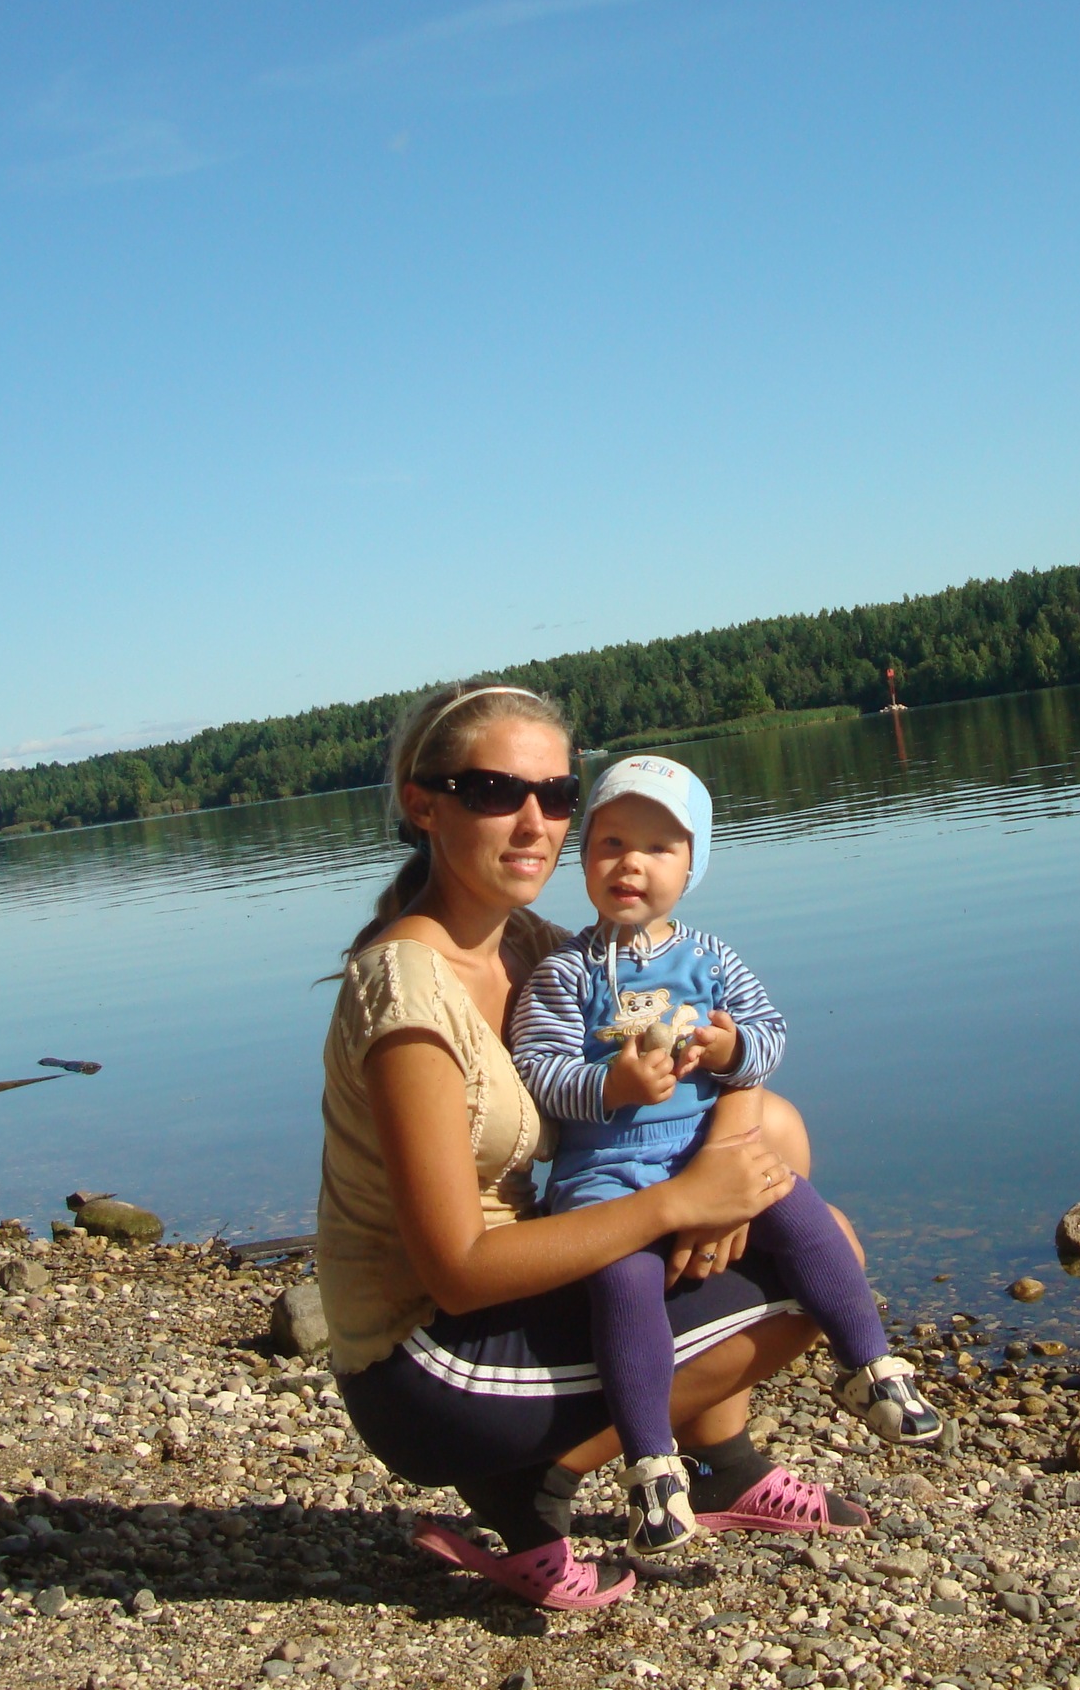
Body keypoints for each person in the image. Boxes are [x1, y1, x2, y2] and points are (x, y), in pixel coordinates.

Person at [316, 682, 870, 1611]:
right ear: (424, 805)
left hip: (514, 1288)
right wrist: (677, 1204)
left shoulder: (531, 949)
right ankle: (534, 1484)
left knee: (770, 1135)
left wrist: (719, 1154)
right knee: (827, 1254)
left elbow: (728, 1048)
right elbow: (457, 1269)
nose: (534, 822)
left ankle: (722, 1464)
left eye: (557, 794)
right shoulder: (410, 999)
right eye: (495, 791)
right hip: (430, 1364)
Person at [509, 753, 941, 1553]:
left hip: (700, 1148)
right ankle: (652, 1468)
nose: (630, 864)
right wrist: (610, 1085)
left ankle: (872, 1365)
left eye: (657, 848)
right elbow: (537, 1070)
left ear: (692, 866)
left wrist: (734, 1048)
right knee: (623, 1282)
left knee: (798, 1206)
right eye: (610, 844)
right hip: (605, 1175)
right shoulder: (564, 972)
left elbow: (771, 1037)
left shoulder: (711, 960)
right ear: (586, 857)